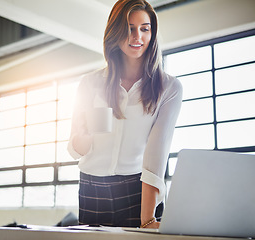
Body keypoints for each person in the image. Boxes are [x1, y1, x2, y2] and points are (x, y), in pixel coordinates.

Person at [67, 0, 182, 229]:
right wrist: (88, 131)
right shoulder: (90, 84)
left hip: (140, 188)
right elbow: (75, 150)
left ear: (152, 33)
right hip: (93, 186)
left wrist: (148, 218)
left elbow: (156, 155)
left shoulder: (169, 88)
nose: (136, 36)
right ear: (115, 31)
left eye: (144, 28)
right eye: (129, 28)